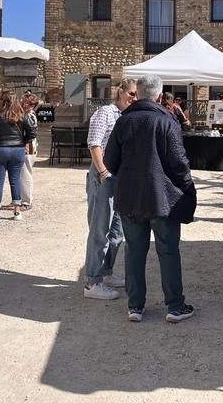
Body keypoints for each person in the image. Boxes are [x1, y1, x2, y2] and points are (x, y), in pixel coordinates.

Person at [105, 74, 197, 323]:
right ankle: (175, 306)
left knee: (134, 250)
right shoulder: (166, 121)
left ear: (138, 93)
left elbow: (109, 162)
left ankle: (135, 306)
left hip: (130, 197)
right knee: (168, 251)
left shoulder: (123, 122)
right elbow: (179, 164)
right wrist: (188, 188)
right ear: (159, 96)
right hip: (161, 198)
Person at [83, 78, 137, 300]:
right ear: (120, 92)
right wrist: (103, 172)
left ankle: (106, 273)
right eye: (132, 93)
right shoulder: (105, 112)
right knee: (100, 229)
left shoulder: (128, 116)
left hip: (120, 177)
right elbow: (94, 143)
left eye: (137, 95)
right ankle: (92, 282)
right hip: (104, 175)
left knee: (117, 231)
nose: (134, 98)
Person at [0, 90, 37, 222]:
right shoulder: (21, 115)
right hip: (17, 150)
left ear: (2, 100)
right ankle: (17, 212)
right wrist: (23, 142)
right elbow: (32, 132)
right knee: (15, 179)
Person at [19, 92, 39, 209]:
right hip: (26, 144)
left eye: (28, 104)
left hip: (28, 145)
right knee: (21, 172)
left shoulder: (30, 116)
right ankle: (21, 198)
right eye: (24, 103)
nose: (25, 105)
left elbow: (31, 134)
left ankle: (27, 201)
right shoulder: (25, 115)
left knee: (26, 172)